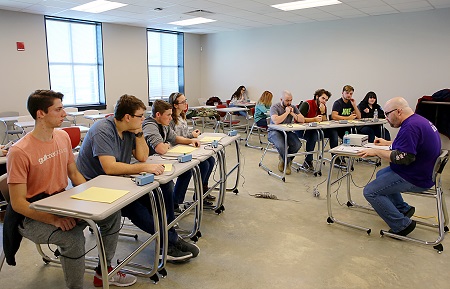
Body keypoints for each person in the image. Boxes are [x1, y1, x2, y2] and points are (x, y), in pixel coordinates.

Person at [6, 90, 136, 288]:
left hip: (61, 202)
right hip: (31, 216)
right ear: (40, 114)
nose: (64, 114)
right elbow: (18, 203)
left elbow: (73, 173)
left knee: (111, 214)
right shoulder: (19, 151)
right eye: (58, 109)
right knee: (73, 238)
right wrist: (54, 220)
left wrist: (92, 197)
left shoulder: (62, 137)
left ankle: (104, 272)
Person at [76, 94, 198, 263]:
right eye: (140, 116)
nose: (143, 119)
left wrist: (139, 134)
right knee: (134, 205)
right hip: (97, 186)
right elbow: (110, 167)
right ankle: (171, 240)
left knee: (159, 192)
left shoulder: (130, 130)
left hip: (117, 180)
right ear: (127, 117)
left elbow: (142, 156)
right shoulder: (102, 129)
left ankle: (167, 241)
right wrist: (145, 168)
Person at [358, 97, 441, 236]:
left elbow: (404, 157)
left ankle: (402, 225)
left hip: (416, 177)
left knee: (370, 191)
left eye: (387, 114)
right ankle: (403, 209)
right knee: (381, 174)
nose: (386, 118)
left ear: (398, 111)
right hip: (423, 171)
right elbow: (409, 144)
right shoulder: (417, 121)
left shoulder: (410, 127)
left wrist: (377, 152)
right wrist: (387, 143)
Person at [142, 100, 212, 211]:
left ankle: (175, 204)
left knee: (187, 170)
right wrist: (165, 145)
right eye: (168, 115)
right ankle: (168, 212)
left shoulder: (163, 124)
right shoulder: (150, 125)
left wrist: (190, 141)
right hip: (147, 164)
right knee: (168, 185)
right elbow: (160, 149)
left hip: (159, 160)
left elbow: (174, 138)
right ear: (158, 115)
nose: (170, 118)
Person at [168, 92, 216, 202]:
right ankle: (180, 200)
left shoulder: (181, 116)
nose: (186, 103)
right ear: (175, 105)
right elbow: (174, 138)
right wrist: (190, 138)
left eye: (186, 100)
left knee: (211, 160)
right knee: (204, 165)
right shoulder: (170, 119)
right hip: (177, 150)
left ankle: (202, 192)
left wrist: (192, 134)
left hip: (186, 146)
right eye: (183, 102)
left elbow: (183, 134)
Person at [297, 89, 339, 171]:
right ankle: (308, 161)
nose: (324, 101)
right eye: (323, 98)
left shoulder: (323, 107)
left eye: (326, 100)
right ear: (317, 97)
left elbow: (325, 121)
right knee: (315, 134)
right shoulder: (307, 104)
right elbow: (299, 119)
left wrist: (323, 112)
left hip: (316, 130)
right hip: (302, 130)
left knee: (333, 132)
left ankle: (336, 158)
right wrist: (314, 119)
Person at [268, 90, 304, 175]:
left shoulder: (293, 107)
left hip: (287, 131)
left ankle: (284, 160)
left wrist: (292, 113)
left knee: (297, 144)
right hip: (274, 131)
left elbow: (302, 120)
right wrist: (286, 112)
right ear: (281, 99)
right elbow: (276, 121)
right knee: (281, 145)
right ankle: (287, 163)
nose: (289, 102)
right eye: (287, 100)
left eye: (291, 100)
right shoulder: (274, 107)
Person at [331, 85, 361, 167]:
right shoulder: (338, 103)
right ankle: (336, 158)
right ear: (342, 93)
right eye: (347, 93)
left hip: (346, 128)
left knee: (354, 132)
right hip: (336, 127)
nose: (349, 95)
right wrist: (348, 118)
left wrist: (354, 105)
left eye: (351, 94)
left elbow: (359, 117)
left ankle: (346, 154)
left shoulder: (350, 103)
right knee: (333, 136)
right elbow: (334, 116)